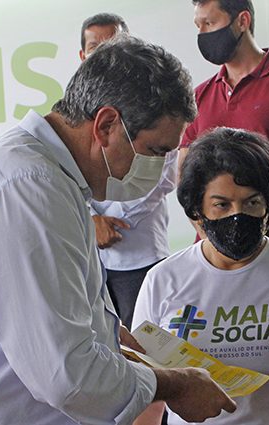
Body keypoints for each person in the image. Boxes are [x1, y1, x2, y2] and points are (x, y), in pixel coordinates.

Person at [0, 36, 237, 424]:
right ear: (107, 125)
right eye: (155, 151)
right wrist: (175, 385)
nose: (162, 168)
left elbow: (54, 316)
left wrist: (109, 336)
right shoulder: (29, 190)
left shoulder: (49, 178)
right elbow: (67, 376)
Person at [132, 128, 269, 425]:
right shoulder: (163, 279)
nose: (237, 216)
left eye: (252, 203)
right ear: (197, 209)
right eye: (222, 205)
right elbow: (146, 390)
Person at [180, 0, 269, 249]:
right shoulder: (199, 96)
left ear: (242, 21)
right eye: (198, 25)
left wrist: (246, 235)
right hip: (211, 253)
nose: (202, 33)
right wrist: (215, 238)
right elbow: (185, 179)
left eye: (209, 23)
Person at [79, 13, 176, 329]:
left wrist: (113, 220)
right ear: (82, 56)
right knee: (101, 338)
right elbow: (70, 172)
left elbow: (163, 171)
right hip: (93, 257)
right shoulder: (76, 111)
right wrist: (91, 220)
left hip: (142, 253)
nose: (105, 55)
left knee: (146, 342)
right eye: (95, 47)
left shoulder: (155, 101)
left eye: (114, 44)